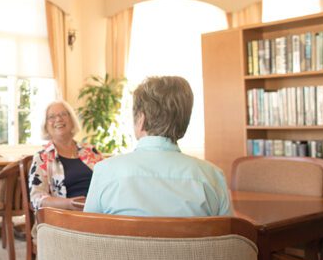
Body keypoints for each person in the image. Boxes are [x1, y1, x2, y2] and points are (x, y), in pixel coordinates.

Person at [84, 76, 231, 216]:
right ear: (184, 122)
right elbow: (229, 238)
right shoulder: (212, 176)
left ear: (141, 119)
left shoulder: (106, 171)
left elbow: (88, 234)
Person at [28, 100, 104, 211]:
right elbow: (37, 199)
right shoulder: (42, 157)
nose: (58, 119)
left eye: (63, 114)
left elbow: (109, 181)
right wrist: (69, 204)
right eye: (51, 117)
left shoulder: (90, 151)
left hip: (98, 211)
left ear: (72, 120)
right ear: (45, 126)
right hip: (65, 216)